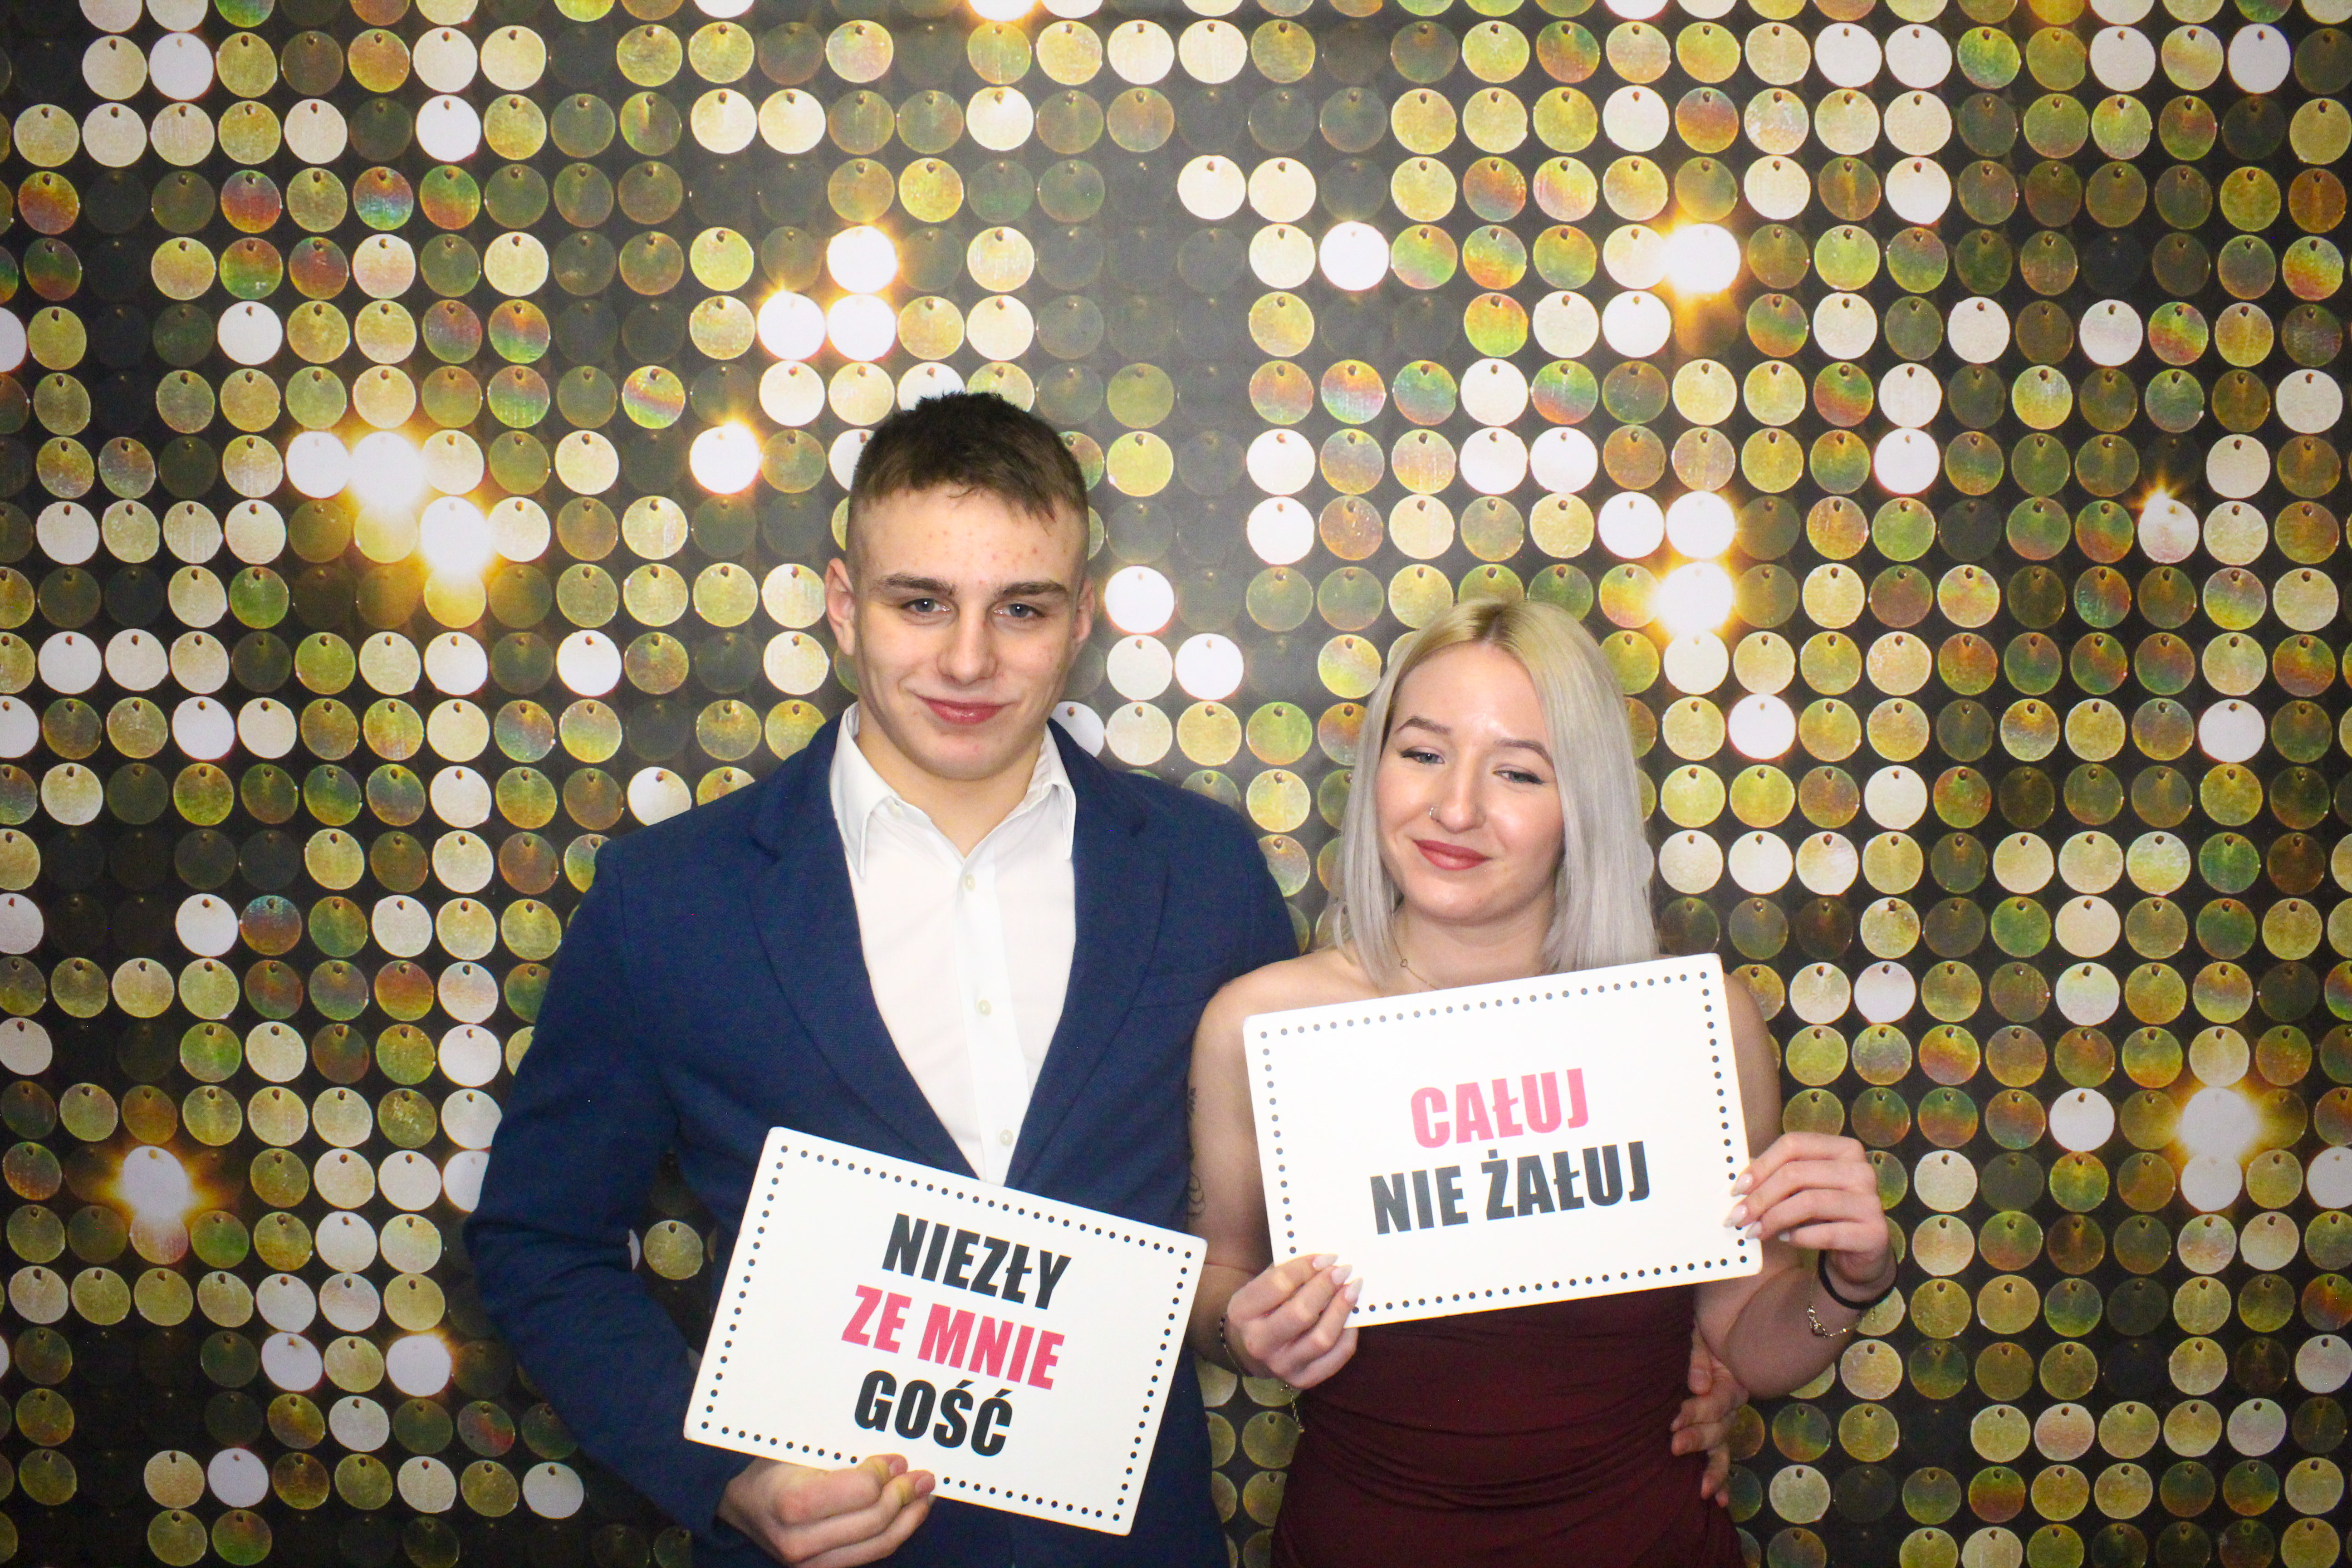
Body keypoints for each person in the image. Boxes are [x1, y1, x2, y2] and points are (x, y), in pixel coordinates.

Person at [467, 392, 1300, 1568]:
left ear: (1079, 620)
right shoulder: (671, 899)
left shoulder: (1205, 873)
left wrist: (1260, 1316)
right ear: (845, 607)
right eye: (922, 603)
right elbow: (540, 1243)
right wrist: (725, 1479)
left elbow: (1258, 1242)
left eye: (1021, 609)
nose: (969, 659)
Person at [1187, 598, 1899, 1567]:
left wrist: (1853, 1282)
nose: (1455, 809)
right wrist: (1244, 1331)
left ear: (1582, 804)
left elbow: (1747, 1337)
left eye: (1518, 772)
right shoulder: (1261, 1024)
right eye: (1423, 753)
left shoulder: (1691, 1026)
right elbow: (1218, 1280)